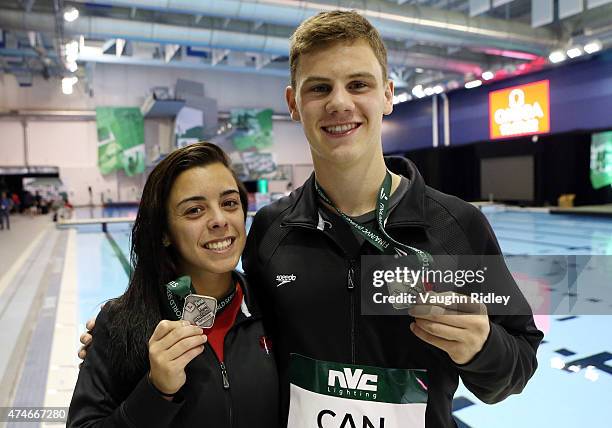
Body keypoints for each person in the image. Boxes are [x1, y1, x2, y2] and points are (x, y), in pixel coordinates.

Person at [80, 11, 543, 427]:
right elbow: (230, 320)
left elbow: (517, 366)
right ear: (293, 103)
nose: (339, 102)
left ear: (387, 95)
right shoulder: (271, 232)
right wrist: (120, 339)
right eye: (319, 88)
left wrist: (483, 349)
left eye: (358, 84)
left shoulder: (455, 227)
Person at [68, 142, 278, 427]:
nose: (219, 220)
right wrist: (156, 390)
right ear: (165, 232)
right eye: (194, 210)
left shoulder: (275, 306)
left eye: (229, 203)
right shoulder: (119, 325)